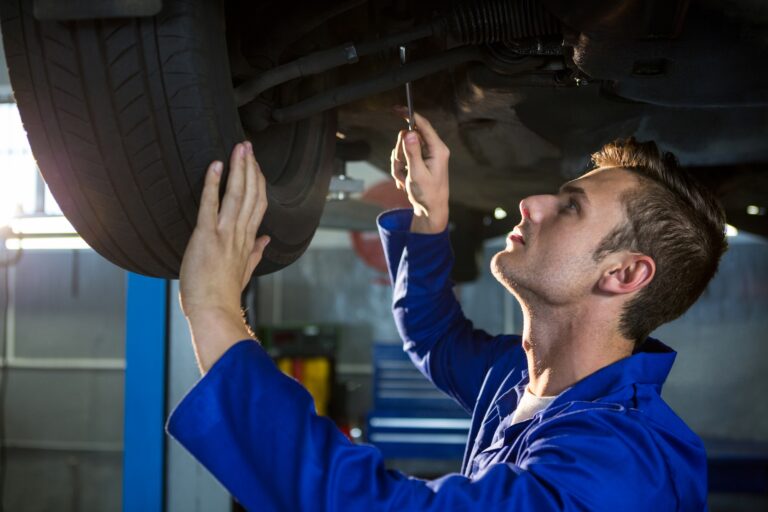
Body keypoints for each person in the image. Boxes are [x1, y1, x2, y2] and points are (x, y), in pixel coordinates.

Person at [167, 111, 727, 511]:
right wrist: (428, 219)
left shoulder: (619, 468)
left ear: (623, 274)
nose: (532, 203)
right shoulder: (527, 380)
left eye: (571, 208)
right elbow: (436, 336)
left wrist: (214, 311)